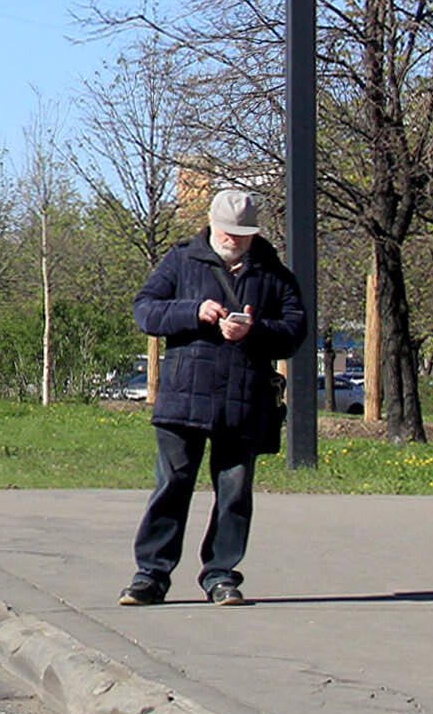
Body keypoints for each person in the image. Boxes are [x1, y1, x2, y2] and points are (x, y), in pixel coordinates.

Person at [122, 187, 308, 607]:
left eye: (241, 234)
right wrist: (193, 312)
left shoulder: (273, 273)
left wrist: (254, 332)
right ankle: (150, 576)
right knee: (172, 485)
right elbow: (145, 310)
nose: (232, 240)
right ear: (211, 225)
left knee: (235, 492)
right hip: (183, 398)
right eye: (226, 232)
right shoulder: (181, 259)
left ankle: (222, 575)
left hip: (244, 400)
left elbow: (295, 331)